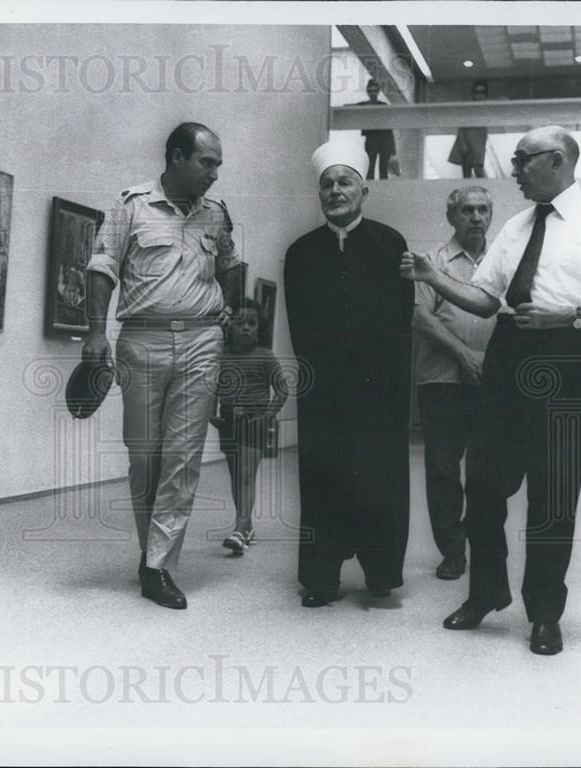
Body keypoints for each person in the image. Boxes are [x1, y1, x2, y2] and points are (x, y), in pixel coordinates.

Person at [401, 126, 581, 655]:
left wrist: (570, 316)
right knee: (483, 483)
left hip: (567, 358)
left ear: (555, 161)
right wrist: (433, 278)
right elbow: (486, 300)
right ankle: (486, 594)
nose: (513, 170)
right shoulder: (514, 225)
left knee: (553, 499)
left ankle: (545, 614)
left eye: (521, 160)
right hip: (510, 353)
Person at [84, 122, 243, 610]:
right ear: (176, 158)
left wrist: (226, 318)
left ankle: (157, 566)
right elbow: (101, 268)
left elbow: (232, 265)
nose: (214, 174)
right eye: (206, 163)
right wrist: (94, 333)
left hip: (200, 343)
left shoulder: (216, 215)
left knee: (183, 457)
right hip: (143, 341)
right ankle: (150, 552)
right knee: (144, 456)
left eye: (218, 164)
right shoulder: (131, 206)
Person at [284, 139, 414, 607]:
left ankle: (381, 576)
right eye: (327, 184)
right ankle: (320, 577)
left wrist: (391, 387)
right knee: (323, 478)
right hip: (323, 393)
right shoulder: (300, 253)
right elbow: (299, 327)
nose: (335, 190)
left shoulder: (391, 244)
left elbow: (402, 321)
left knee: (380, 479)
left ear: (364, 190)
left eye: (345, 182)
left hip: (380, 393)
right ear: (319, 194)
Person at [413, 186, 496, 580]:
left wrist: (487, 362)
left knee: (485, 471)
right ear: (452, 217)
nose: (476, 217)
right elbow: (421, 318)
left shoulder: (503, 263)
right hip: (442, 380)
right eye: (467, 210)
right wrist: (464, 354)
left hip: (490, 383)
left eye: (482, 210)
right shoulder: (432, 262)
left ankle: (479, 543)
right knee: (443, 471)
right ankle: (451, 551)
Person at [210, 299, 289, 554]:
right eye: (240, 323)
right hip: (229, 420)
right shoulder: (221, 356)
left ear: (259, 328)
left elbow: (282, 389)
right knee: (236, 477)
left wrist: (269, 415)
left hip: (254, 420)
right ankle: (246, 526)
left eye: (252, 324)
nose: (246, 328)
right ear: (229, 326)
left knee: (246, 475)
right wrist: (211, 415)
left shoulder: (265, 356)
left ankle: (239, 529)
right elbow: (211, 387)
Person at [354, 79, 399, 180]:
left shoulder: (379, 106)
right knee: (371, 168)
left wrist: (393, 150)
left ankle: (380, 190)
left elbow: (389, 129)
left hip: (382, 140)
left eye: (374, 91)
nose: (373, 93)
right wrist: (393, 150)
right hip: (374, 139)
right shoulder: (367, 106)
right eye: (371, 91)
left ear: (378, 92)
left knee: (382, 170)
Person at [448, 81, 489, 178]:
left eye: (482, 92)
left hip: (478, 145)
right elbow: (461, 127)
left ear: (486, 94)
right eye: (477, 92)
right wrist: (463, 144)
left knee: (479, 170)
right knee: (467, 174)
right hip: (467, 144)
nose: (479, 95)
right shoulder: (468, 108)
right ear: (473, 94)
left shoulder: (487, 110)